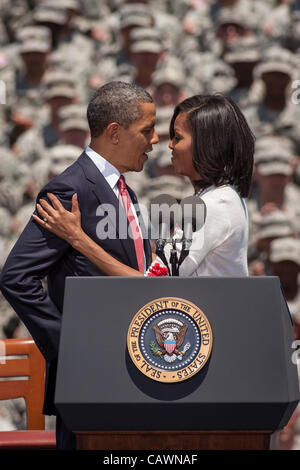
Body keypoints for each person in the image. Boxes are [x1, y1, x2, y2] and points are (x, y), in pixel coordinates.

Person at [0, 81, 157, 449]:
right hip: (89, 378)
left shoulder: (125, 190)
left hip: (132, 369)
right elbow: (15, 277)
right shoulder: (70, 189)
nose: (154, 142)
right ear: (114, 132)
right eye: (146, 131)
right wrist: (67, 343)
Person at [34, 93, 254, 278]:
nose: (170, 145)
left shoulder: (215, 204)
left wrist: (77, 238)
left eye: (178, 138)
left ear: (208, 145)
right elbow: (163, 261)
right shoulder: (215, 198)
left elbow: (151, 284)